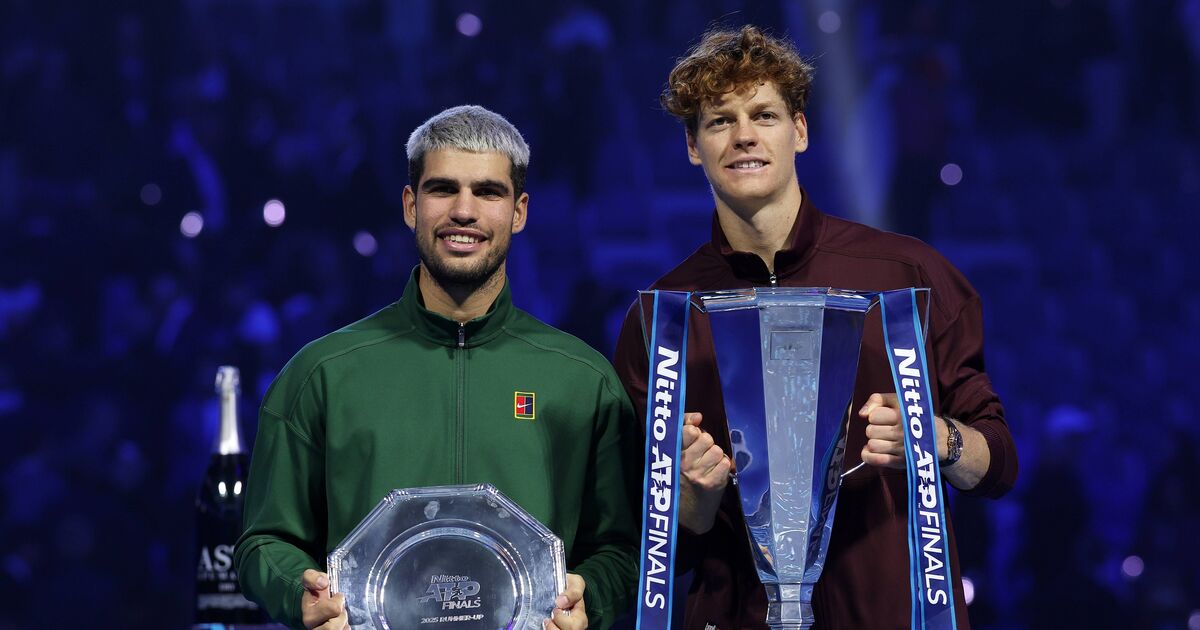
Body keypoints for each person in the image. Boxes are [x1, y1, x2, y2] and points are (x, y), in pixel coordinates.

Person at [612, 26, 1018, 629]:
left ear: (799, 131)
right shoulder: (664, 317)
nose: (744, 135)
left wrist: (937, 440)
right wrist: (694, 498)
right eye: (719, 121)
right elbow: (654, 549)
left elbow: (999, 464)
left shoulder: (908, 277)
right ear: (693, 147)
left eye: (764, 115)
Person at [236, 105, 640, 630]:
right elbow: (264, 541)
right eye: (443, 189)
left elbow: (624, 549)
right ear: (411, 205)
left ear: (519, 212)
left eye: (488, 192)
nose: (464, 211)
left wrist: (592, 597)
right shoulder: (322, 375)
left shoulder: (584, 380)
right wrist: (301, 593)